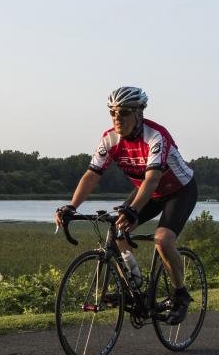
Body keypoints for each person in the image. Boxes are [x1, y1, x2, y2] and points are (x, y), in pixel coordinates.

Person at [54, 86, 198, 324]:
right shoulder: (110, 139)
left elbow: (153, 178)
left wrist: (134, 210)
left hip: (179, 190)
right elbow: (92, 174)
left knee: (162, 240)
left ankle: (180, 294)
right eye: (112, 113)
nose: (117, 118)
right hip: (148, 191)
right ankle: (134, 280)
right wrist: (72, 206)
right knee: (117, 227)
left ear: (139, 113)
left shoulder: (155, 136)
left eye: (123, 112)